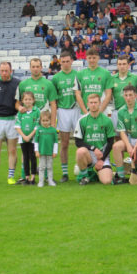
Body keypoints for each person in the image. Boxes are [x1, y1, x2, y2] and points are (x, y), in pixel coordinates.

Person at [74, 93, 116, 185]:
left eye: (95, 102)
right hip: (89, 154)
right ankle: (85, 176)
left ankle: (96, 173)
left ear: (100, 103)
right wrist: (93, 148)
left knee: (107, 181)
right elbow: (78, 142)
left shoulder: (107, 120)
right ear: (87, 104)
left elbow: (110, 142)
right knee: (80, 151)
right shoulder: (82, 120)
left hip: (102, 154)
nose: (93, 105)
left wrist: (102, 159)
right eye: (91, 102)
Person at [112, 84, 137, 185]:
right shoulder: (120, 111)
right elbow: (122, 132)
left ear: (135, 96)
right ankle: (120, 176)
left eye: (130, 95)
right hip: (129, 138)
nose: (128, 98)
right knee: (116, 146)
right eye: (126, 95)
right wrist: (129, 147)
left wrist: (135, 147)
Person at [51, 52, 80, 182]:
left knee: (81, 142)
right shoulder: (56, 78)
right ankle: (64, 173)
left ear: (72, 61)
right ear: (60, 62)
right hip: (63, 111)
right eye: (63, 62)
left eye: (67, 61)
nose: (65, 64)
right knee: (64, 143)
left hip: (77, 109)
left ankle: (82, 169)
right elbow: (54, 99)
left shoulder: (78, 75)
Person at [16, 58, 58, 126]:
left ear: (41, 67)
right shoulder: (23, 84)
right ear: (30, 68)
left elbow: (53, 105)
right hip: (28, 118)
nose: (35, 69)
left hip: (43, 118)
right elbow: (18, 103)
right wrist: (20, 108)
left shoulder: (49, 84)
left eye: (37, 66)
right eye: (33, 67)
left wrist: (53, 123)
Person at [75, 48, 113, 115]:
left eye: (94, 58)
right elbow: (78, 95)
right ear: (86, 58)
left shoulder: (106, 73)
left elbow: (108, 95)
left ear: (98, 58)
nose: (92, 60)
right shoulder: (80, 74)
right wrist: (85, 112)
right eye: (89, 58)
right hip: (85, 112)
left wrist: (100, 111)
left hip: (101, 112)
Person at [15, 91, 39, 185]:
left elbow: (37, 125)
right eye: (26, 99)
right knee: (25, 157)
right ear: (22, 101)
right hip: (23, 138)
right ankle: (26, 177)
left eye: (30, 99)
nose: (28, 101)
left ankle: (33, 177)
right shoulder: (21, 112)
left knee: (33, 156)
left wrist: (30, 136)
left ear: (33, 100)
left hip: (33, 138)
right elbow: (17, 126)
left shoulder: (36, 111)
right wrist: (24, 136)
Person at [109, 55, 137, 129]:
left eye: (124, 64)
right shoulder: (112, 79)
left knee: (134, 134)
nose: (122, 66)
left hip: (132, 111)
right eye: (119, 64)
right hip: (117, 111)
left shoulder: (135, 78)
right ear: (117, 66)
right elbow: (109, 96)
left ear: (128, 65)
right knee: (118, 135)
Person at [34, 111, 58, 187]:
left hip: (50, 152)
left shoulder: (53, 130)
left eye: (47, 120)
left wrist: (55, 152)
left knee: (49, 167)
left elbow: (55, 142)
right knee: (41, 167)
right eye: (43, 121)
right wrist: (37, 151)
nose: (45, 122)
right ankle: (41, 181)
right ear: (40, 121)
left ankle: (50, 180)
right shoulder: (39, 130)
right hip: (41, 152)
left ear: (50, 120)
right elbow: (36, 141)